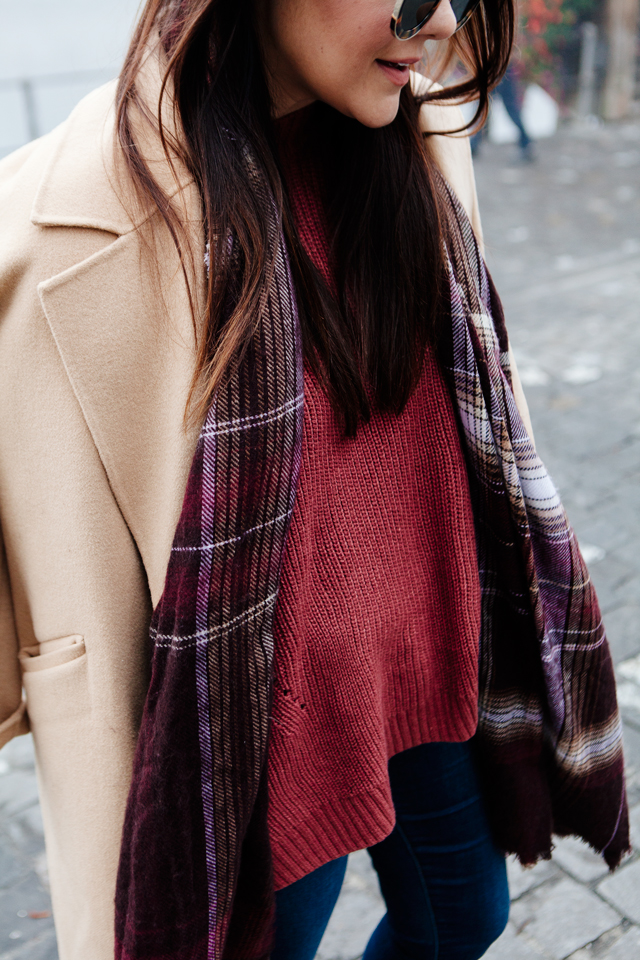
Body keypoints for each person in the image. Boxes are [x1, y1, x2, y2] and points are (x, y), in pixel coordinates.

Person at [0, 2, 628, 960]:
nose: (442, 20)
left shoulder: (414, 129)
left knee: (466, 916)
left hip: (430, 656)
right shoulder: (70, 216)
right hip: (247, 730)